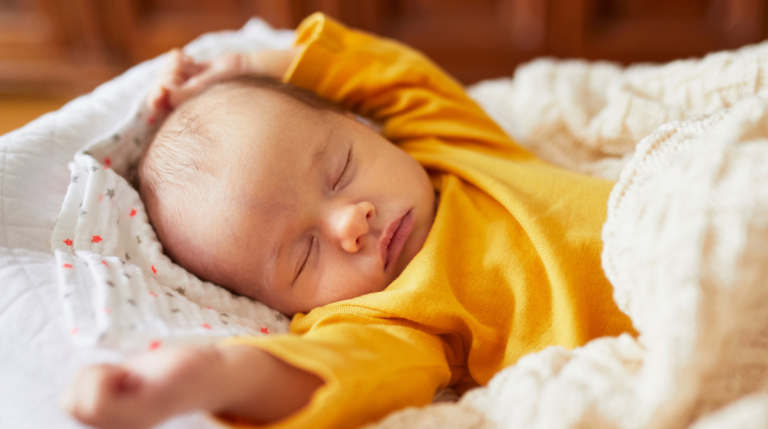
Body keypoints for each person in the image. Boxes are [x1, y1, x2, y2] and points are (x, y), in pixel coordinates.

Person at [62, 13, 636, 429]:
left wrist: (247, 64)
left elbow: (386, 73)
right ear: (279, 305)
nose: (349, 223)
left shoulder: (449, 142)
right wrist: (209, 377)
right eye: (305, 254)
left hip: (665, 215)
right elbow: (339, 373)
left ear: (363, 127)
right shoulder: (386, 316)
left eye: (339, 171)